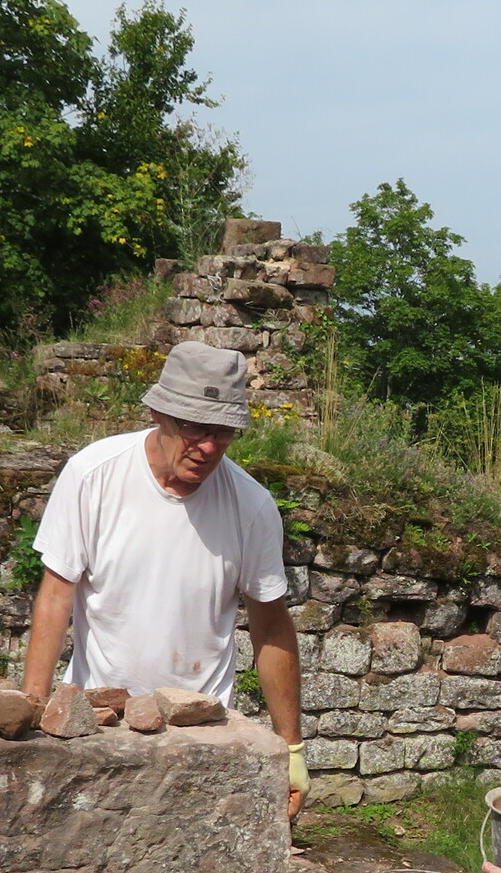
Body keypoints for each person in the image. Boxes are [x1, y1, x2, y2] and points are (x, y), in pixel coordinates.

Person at [21, 341, 306, 813]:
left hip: (203, 735)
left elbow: (271, 626)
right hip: (101, 723)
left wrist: (291, 749)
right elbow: (56, 595)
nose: (208, 447)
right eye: (194, 427)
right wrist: (34, 706)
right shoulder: (94, 474)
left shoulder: (251, 505)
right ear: (158, 413)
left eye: (223, 432)